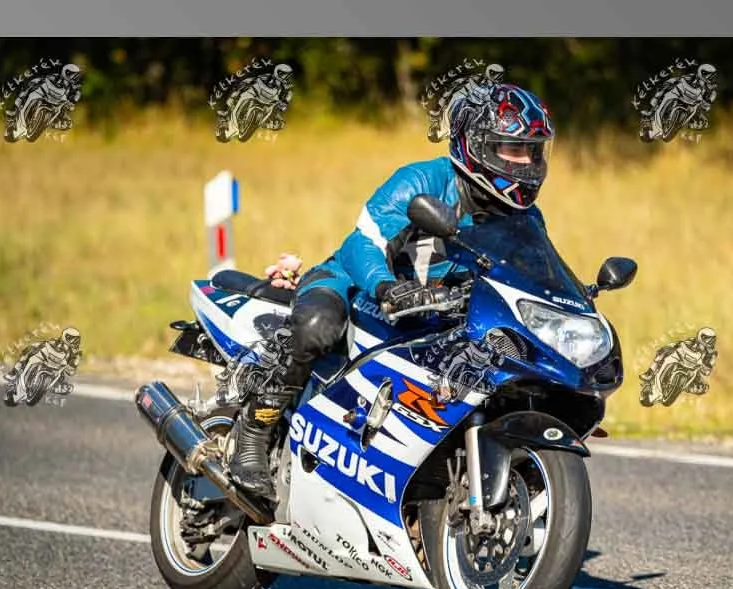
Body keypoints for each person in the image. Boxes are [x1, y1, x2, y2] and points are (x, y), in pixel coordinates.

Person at [226, 82, 556, 500]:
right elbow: (362, 243)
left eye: (534, 151)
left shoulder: (526, 217)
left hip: (436, 315)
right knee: (317, 326)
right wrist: (387, 286)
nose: (526, 163)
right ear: (476, 145)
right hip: (356, 287)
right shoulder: (423, 181)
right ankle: (254, 432)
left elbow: (534, 276)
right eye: (513, 149)